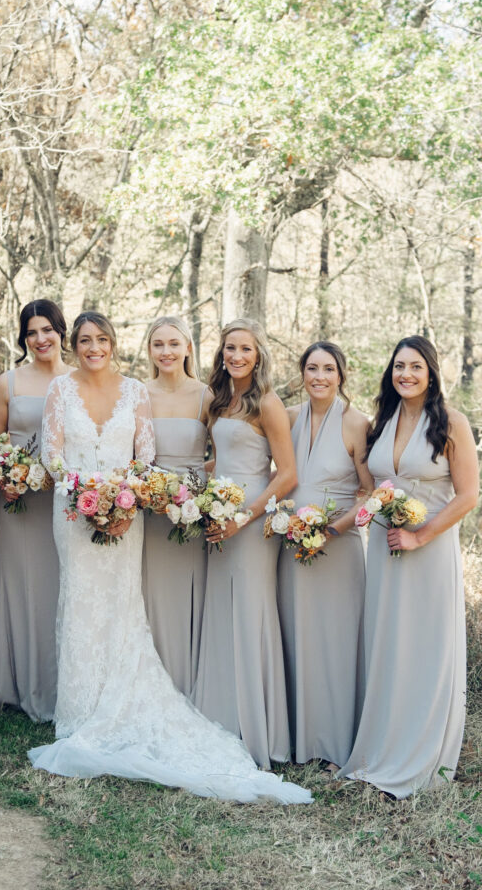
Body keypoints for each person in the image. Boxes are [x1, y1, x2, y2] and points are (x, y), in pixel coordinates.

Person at [29, 312, 311, 804]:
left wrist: (125, 497)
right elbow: (51, 454)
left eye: (102, 339)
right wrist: (80, 492)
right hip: (72, 508)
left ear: (115, 344)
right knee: (79, 600)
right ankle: (78, 710)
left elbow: (147, 454)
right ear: (73, 345)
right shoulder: (61, 390)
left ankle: (135, 695)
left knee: (124, 599)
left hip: (131, 507)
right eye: (85, 340)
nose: (94, 346)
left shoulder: (155, 393)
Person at [338, 336, 478, 797]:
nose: (406, 375)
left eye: (416, 367)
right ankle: (383, 748)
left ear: (431, 372)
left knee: (424, 647)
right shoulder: (384, 421)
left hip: (428, 549)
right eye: (399, 366)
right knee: (388, 646)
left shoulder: (451, 423)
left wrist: (421, 535)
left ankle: (420, 756)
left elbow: (468, 497)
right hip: (383, 546)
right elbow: (374, 484)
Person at [194, 319, 296, 769]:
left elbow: (288, 473)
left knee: (250, 613)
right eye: (229, 348)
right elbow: (226, 457)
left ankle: (256, 730)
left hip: (253, 522)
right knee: (222, 611)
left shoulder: (267, 403)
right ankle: (219, 721)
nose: (236, 356)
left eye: (245, 349)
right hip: (220, 515)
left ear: (258, 356)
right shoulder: (220, 400)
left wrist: (244, 516)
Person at [278, 342, 371, 766]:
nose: (319, 376)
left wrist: (332, 529)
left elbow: (369, 492)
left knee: (335, 642)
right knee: (297, 637)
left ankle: (336, 745)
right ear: (302, 373)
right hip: (291, 546)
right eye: (312, 368)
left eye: (328, 369)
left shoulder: (357, 424)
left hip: (339, 548)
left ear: (341, 375)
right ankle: (300, 739)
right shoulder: (289, 418)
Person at [0, 299, 70, 721]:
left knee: (60, 590)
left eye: (48, 330)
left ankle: (62, 689)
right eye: (32, 332)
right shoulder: (8, 383)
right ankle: (21, 687)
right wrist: (8, 477)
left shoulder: (78, 380)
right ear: (23, 338)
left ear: (61, 332)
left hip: (64, 503)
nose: (41, 339)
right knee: (23, 588)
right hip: (17, 503)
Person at [142, 316, 211, 697]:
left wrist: (198, 488)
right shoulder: (137, 392)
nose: (166, 352)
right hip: (148, 512)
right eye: (158, 344)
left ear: (188, 347)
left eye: (173, 343)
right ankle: (155, 688)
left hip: (193, 514)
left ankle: (192, 686)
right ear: (149, 350)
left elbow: (229, 454)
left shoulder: (208, 395)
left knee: (191, 595)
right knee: (151, 595)